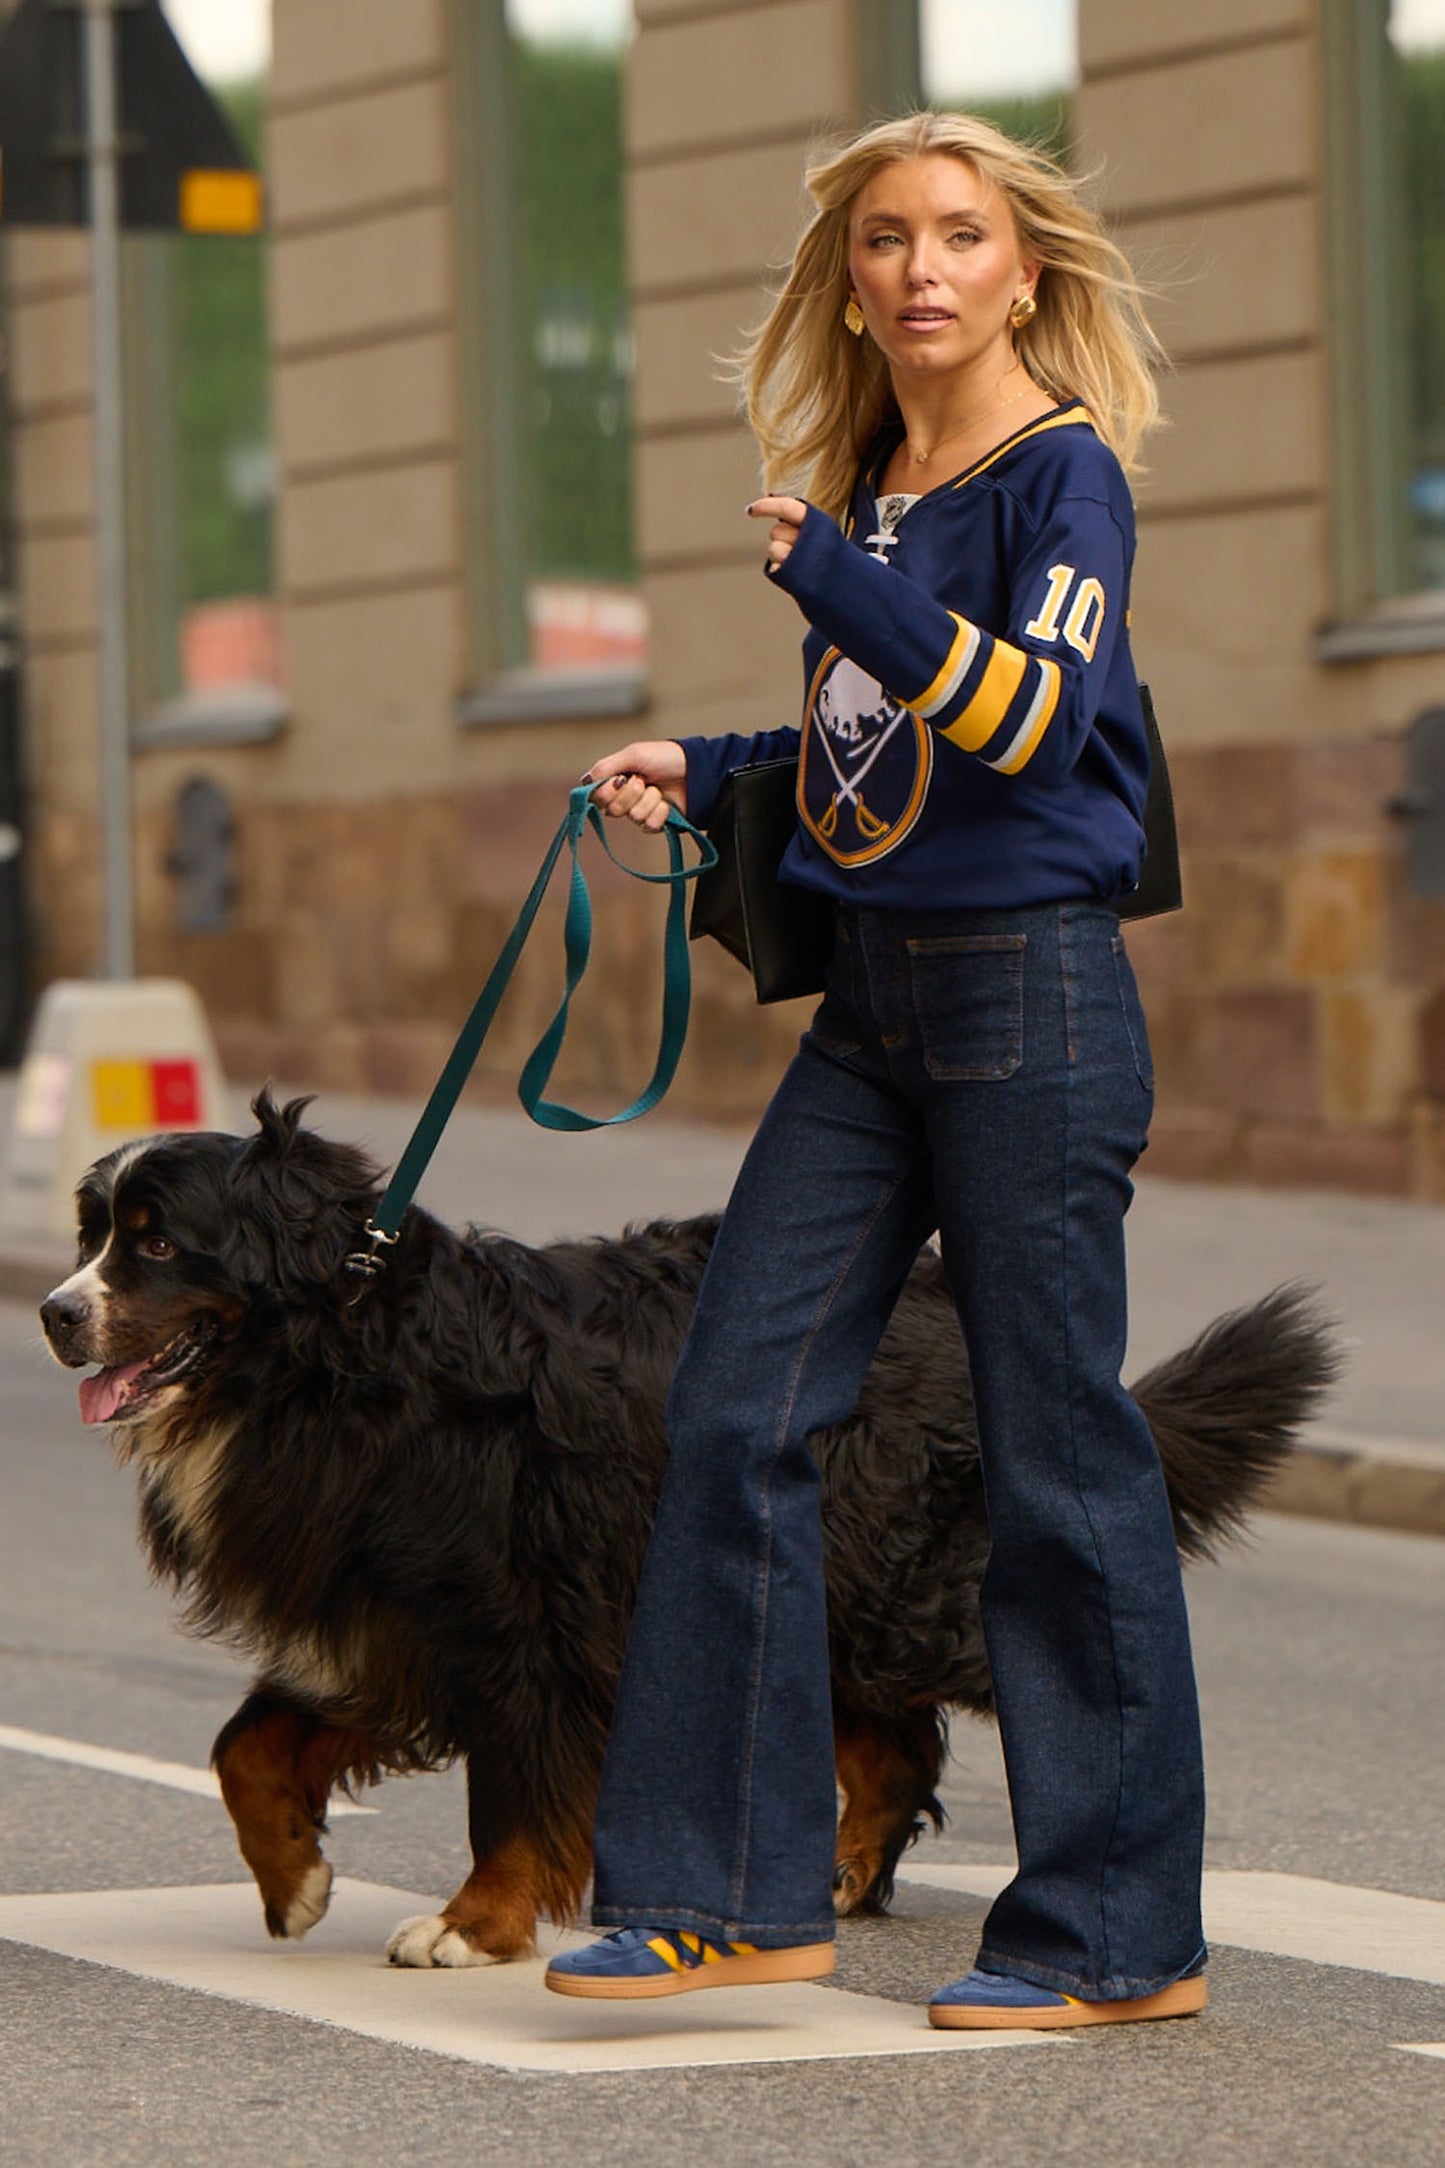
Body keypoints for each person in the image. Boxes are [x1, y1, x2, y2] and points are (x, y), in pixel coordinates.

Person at [544, 109, 1208, 2031]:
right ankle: (723, 1894)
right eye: (884, 242)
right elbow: (873, 743)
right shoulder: (878, 479)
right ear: (848, 279)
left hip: (1030, 1002)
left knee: (1056, 1461)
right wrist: (718, 763)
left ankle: (1110, 1935)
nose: (920, 268)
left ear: (1026, 268)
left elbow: (1019, 719)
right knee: (735, 1410)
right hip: (875, 1011)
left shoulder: (1058, 478)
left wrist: (842, 585)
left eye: (959, 236)